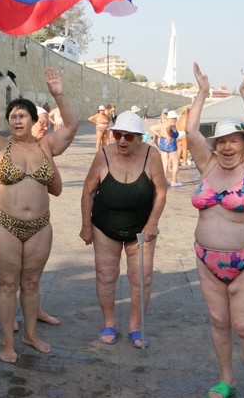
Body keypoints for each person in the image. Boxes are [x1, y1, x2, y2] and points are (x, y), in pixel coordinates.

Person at [0, 67, 78, 363]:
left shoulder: (46, 146)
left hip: (40, 226)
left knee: (32, 283)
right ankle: (7, 342)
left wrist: (59, 95)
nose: (16, 120)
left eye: (22, 115)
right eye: (12, 116)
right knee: (7, 284)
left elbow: (71, 127)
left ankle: (30, 334)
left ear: (34, 120)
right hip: (4, 225)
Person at [187, 62, 244, 398]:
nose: (226, 147)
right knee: (219, 322)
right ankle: (227, 379)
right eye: (221, 141)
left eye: (234, 140)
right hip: (206, 259)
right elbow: (190, 131)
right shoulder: (207, 166)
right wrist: (202, 93)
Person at [80, 111, 167, 349]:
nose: (121, 141)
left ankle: (135, 326)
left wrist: (152, 223)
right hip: (105, 225)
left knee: (142, 278)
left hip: (141, 228)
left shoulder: (152, 155)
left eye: (128, 136)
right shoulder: (103, 155)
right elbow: (88, 190)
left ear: (139, 138)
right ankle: (109, 323)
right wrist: (86, 225)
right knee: (106, 276)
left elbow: (161, 191)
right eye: (117, 134)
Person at [151, 110, 182, 186]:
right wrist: (169, 136)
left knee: (165, 163)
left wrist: (159, 135)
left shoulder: (163, 124)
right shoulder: (171, 124)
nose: (176, 119)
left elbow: (152, 128)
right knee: (175, 162)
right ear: (173, 118)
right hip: (170, 143)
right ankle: (174, 181)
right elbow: (168, 128)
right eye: (175, 118)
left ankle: (164, 180)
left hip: (163, 142)